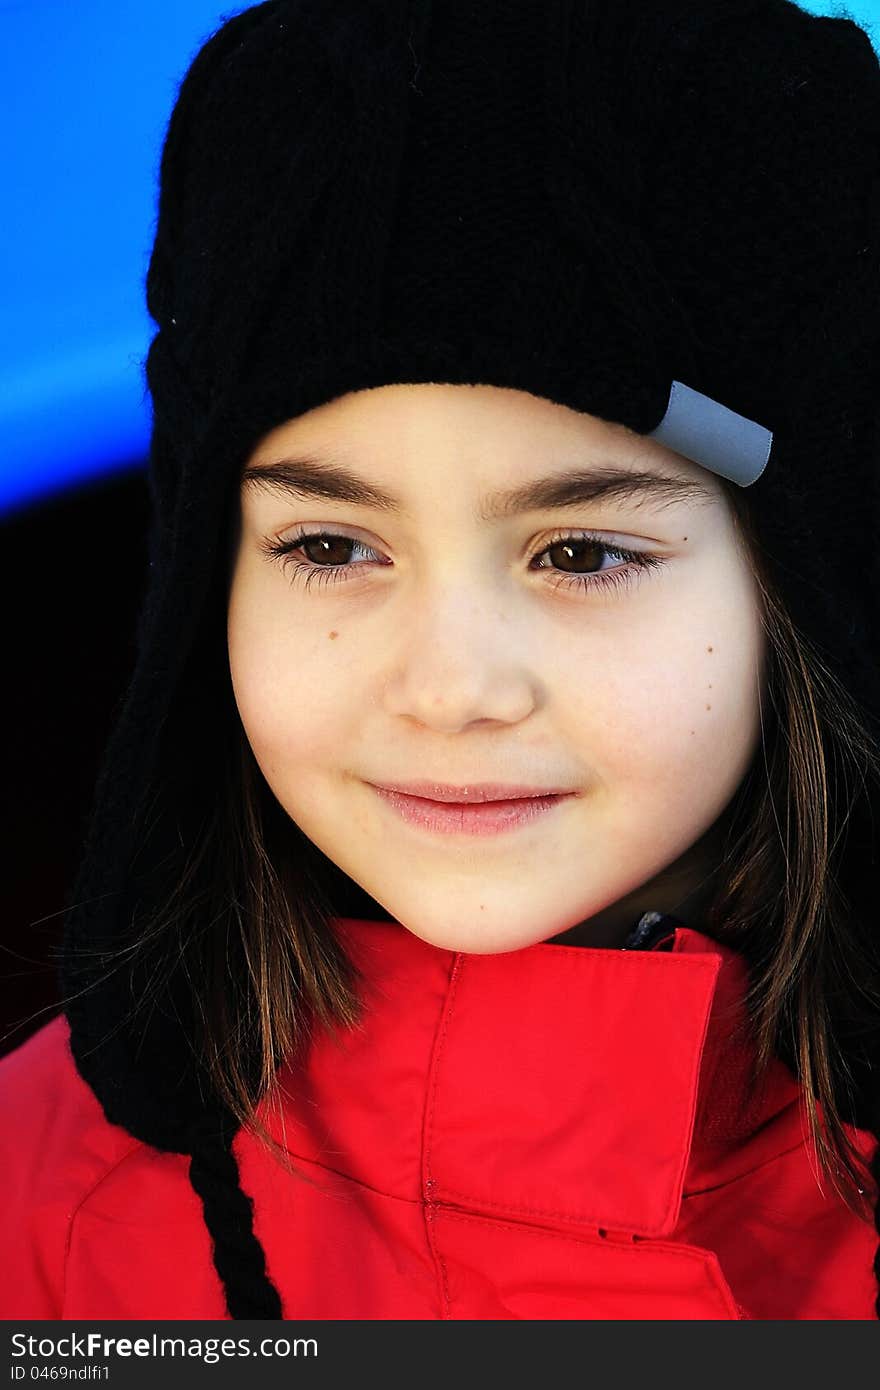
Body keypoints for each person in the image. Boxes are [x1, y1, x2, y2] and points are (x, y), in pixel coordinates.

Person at [2, 0, 879, 1321]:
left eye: (579, 553)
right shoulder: (43, 1205)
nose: (448, 687)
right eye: (331, 544)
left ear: (806, 575)